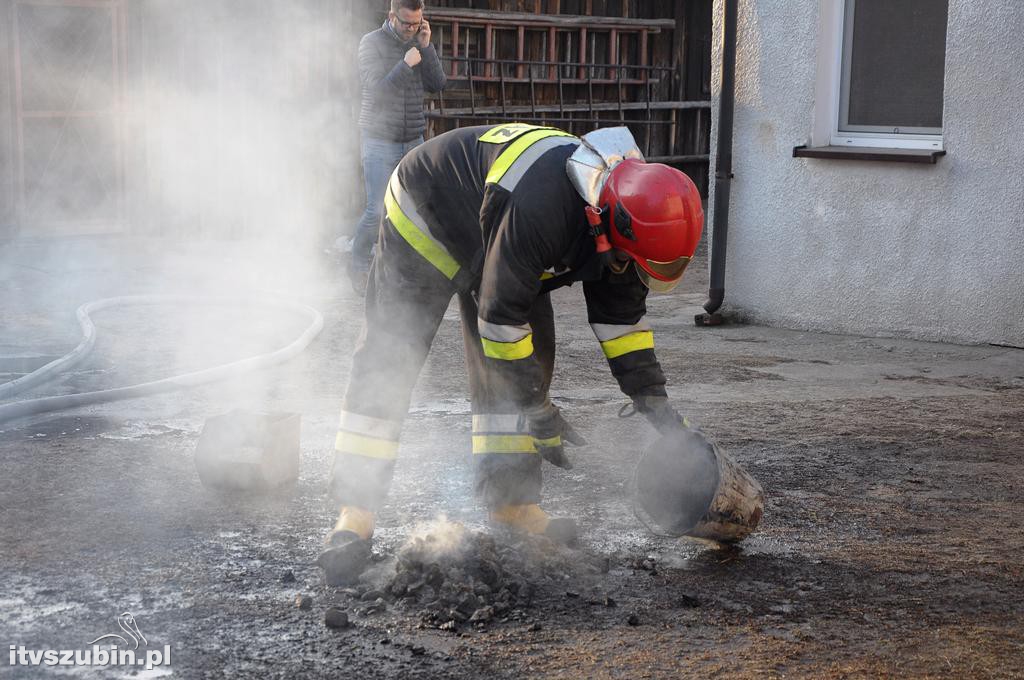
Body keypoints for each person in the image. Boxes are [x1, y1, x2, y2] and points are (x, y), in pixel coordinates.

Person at [317, 123, 704, 585]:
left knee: (529, 356)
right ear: (609, 224)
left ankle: (512, 503)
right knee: (391, 355)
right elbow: (499, 321)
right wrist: (539, 410)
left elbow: (621, 325)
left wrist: (657, 406)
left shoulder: (625, 218)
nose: (629, 269)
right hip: (429, 211)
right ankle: (355, 514)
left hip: (499, 235)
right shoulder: (544, 207)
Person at [344, 0, 447, 294]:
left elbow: (438, 84)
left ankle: (404, 272)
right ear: (392, 16)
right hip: (378, 139)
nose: (411, 29)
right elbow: (376, 92)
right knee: (376, 210)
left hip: (413, 138)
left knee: (416, 209)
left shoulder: (418, 43)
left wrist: (426, 48)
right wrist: (405, 64)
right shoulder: (370, 43)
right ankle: (359, 268)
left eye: (417, 23)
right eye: (406, 23)